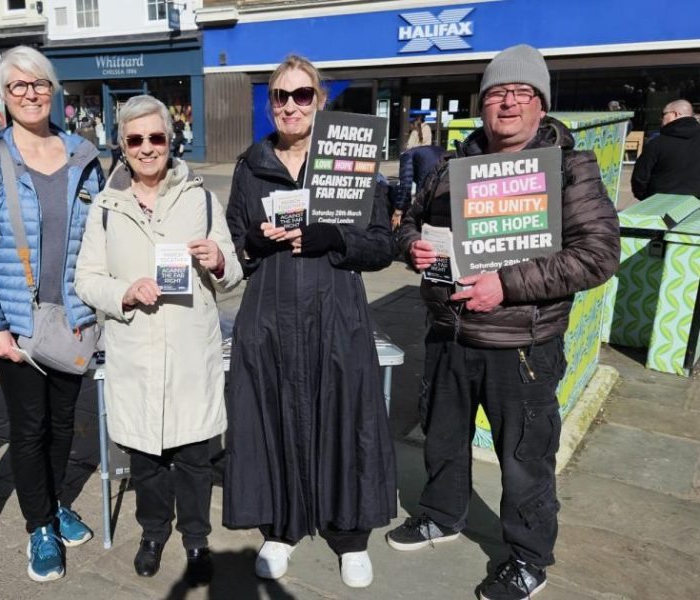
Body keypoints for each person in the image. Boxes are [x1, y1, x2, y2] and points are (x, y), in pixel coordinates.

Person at [391, 44, 620, 600]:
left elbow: (598, 254)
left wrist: (507, 284)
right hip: (449, 333)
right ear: (483, 104)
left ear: (542, 106)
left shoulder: (569, 168)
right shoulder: (449, 166)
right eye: (497, 93)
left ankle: (527, 557)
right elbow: (408, 224)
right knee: (442, 438)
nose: (509, 103)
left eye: (522, 93)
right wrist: (412, 247)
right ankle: (441, 515)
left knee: (525, 460)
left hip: (522, 344)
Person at [222, 54, 397, 589]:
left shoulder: (350, 161)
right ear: (270, 104)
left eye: (303, 95)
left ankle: (349, 536)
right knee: (272, 419)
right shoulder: (250, 165)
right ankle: (281, 528)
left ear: (319, 101)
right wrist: (249, 244)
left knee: (347, 418)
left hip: (336, 313)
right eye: (281, 96)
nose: (291, 105)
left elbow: (383, 245)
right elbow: (232, 246)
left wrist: (337, 238)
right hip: (269, 317)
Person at [75, 94, 242, 586]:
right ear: (122, 147)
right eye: (135, 139)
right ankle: (152, 533)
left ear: (171, 141)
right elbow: (86, 280)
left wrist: (217, 260)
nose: (147, 148)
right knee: (146, 458)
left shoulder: (201, 197)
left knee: (194, 456)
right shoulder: (105, 206)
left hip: (190, 351)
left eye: (156, 137)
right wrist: (123, 291)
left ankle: (195, 538)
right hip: (136, 350)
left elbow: (234, 276)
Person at [0, 45, 102, 584]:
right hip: (17, 321)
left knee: (64, 424)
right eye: (17, 86)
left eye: (38, 84)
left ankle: (54, 504)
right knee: (28, 428)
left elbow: (99, 238)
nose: (29, 94)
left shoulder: (83, 156)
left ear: (54, 90)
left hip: (73, 317)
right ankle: (39, 525)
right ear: (3, 95)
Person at [630, 99, 700, 200]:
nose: (660, 118)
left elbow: (640, 178)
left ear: (675, 114)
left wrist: (648, 199)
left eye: (663, 114)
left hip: (660, 205)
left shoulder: (656, 143)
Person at [394, 144, 445, 229]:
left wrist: (398, 210)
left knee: (422, 210)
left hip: (429, 175)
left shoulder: (406, 155)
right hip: (446, 173)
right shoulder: (427, 150)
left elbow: (406, 184)